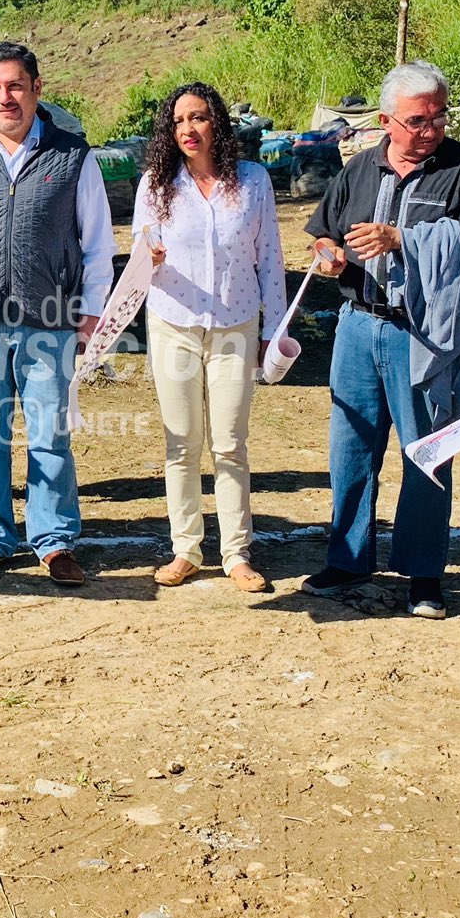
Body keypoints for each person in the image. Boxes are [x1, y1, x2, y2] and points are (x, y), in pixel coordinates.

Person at [301, 60, 460, 619]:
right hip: (359, 323)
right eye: (417, 120)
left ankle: (423, 573)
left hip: (425, 330)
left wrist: (402, 240)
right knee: (351, 445)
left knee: (427, 451)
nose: (430, 129)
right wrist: (328, 256)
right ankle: (348, 558)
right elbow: (322, 232)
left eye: (438, 116)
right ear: (386, 120)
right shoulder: (359, 169)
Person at [0, 43, 112, 585]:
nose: (4, 98)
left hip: (50, 316)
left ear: (36, 87)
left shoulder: (73, 156)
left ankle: (54, 541)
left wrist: (93, 309)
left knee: (49, 432)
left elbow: (98, 242)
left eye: (14, 86)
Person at [132, 81, 284, 593]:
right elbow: (138, 259)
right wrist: (145, 260)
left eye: (197, 118)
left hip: (237, 324)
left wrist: (275, 329)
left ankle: (236, 553)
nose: (187, 130)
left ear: (216, 121)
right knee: (181, 443)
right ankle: (185, 550)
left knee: (230, 443)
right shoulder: (156, 185)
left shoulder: (254, 182)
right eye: (177, 122)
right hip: (173, 323)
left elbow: (271, 261)